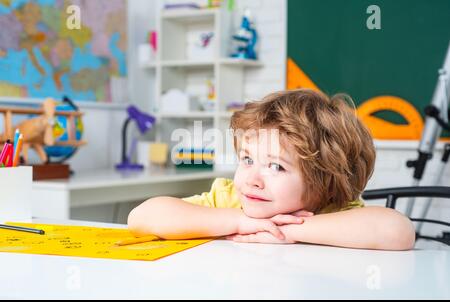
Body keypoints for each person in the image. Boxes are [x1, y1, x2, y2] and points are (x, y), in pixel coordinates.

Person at [128, 89, 415, 250]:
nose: (252, 180)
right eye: (247, 159)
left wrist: (287, 231)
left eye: (276, 166)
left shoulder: (332, 209)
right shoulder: (231, 203)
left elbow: (398, 232)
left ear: (325, 182)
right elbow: (141, 217)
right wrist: (238, 222)